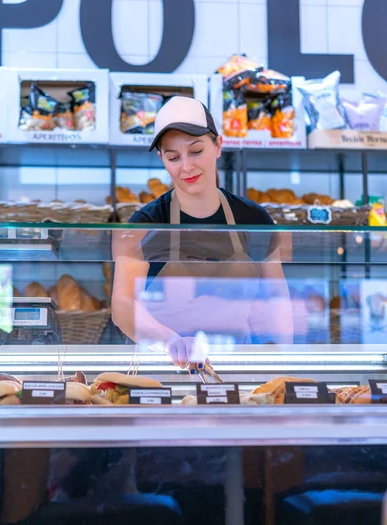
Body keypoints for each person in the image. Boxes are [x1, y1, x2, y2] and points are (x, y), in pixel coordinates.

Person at [112, 96, 293, 372]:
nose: (186, 167)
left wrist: (280, 360)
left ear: (218, 145)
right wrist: (169, 342)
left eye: (196, 151)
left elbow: (276, 299)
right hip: (163, 374)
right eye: (173, 157)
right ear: (161, 159)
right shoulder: (146, 223)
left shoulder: (254, 220)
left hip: (235, 375)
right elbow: (123, 305)